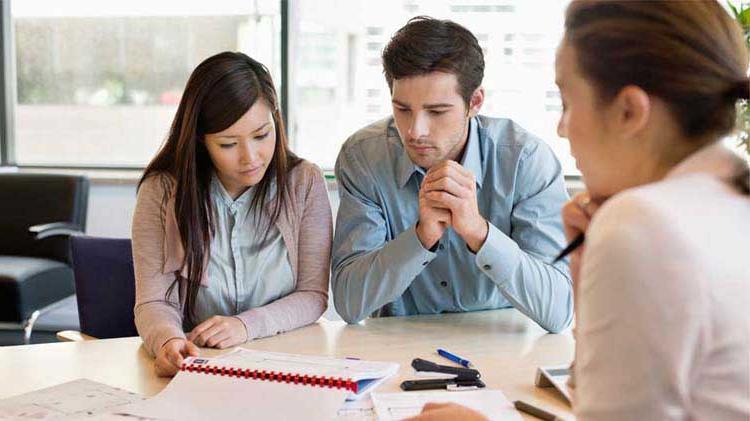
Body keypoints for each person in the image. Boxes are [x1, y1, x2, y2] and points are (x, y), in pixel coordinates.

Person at [409, 1, 750, 420]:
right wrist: (587, 281)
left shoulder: (644, 223)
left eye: (567, 101)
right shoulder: (728, 197)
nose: (562, 127)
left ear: (629, 111)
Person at [331, 16, 572, 332]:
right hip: (397, 350)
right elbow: (349, 304)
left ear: (475, 102)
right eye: (402, 110)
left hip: (499, 347)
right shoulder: (363, 157)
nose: (415, 131)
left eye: (436, 112)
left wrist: (478, 232)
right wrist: (421, 236)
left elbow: (558, 310)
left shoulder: (525, 160)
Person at [132, 52, 332, 377]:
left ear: (276, 120)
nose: (250, 157)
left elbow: (313, 295)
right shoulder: (162, 191)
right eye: (228, 144)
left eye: (262, 135)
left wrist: (245, 325)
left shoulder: (304, 183)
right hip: (202, 365)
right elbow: (154, 301)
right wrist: (167, 340)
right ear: (201, 140)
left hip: (288, 359)